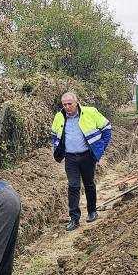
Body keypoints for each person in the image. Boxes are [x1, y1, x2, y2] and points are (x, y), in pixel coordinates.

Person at [50, 92, 112, 231]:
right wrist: (58, 149)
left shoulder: (90, 112)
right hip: (70, 157)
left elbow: (107, 128)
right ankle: (74, 219)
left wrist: (100, 148)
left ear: (76, 102)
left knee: (89, 184)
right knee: (73, 186)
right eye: (64, 104)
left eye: (69, 104)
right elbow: (54, 134)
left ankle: (92, 211)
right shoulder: (59, 117)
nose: (67, 107)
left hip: (87, 156)